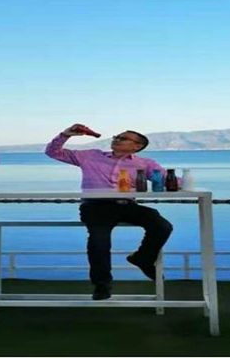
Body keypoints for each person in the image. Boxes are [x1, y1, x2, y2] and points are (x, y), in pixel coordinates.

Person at [45, 123, 174, 300]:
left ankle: (143, 258)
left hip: (127, 206)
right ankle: (102, 285)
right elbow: (53, 152)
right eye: (116, 136)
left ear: (137, 146)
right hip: (95, 207)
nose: (116, 139)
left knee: (162, 225)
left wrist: (185, 182)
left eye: (123, 138)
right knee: (99, 241)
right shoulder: (91, 156)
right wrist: (65, 135)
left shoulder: (145, 164)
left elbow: (168, 180)